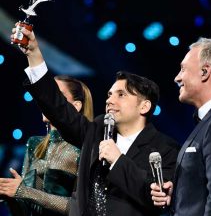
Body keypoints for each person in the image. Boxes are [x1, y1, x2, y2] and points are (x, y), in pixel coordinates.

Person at [10, 26, 180, 216]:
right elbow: (57, 107)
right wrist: (34, 54)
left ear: (144, 107)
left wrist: (117, 160)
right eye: (109, 94)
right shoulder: (95, 132)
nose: (109, 100)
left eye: (121, 95)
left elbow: (155, 199)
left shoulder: (166, 149)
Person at [151, 37, 211, 215]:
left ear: (205, 72)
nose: (177, 78)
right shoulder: (210, 121)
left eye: (183, 69)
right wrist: (179, 195)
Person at [0, 75, 94, 216]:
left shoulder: (84, 147)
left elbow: (79, 208)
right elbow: (24, 211)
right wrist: (11, 196)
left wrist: (24, 191)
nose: (46, 100)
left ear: (76, 106)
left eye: (55, 95)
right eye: (46, 94)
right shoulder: (34, 144)